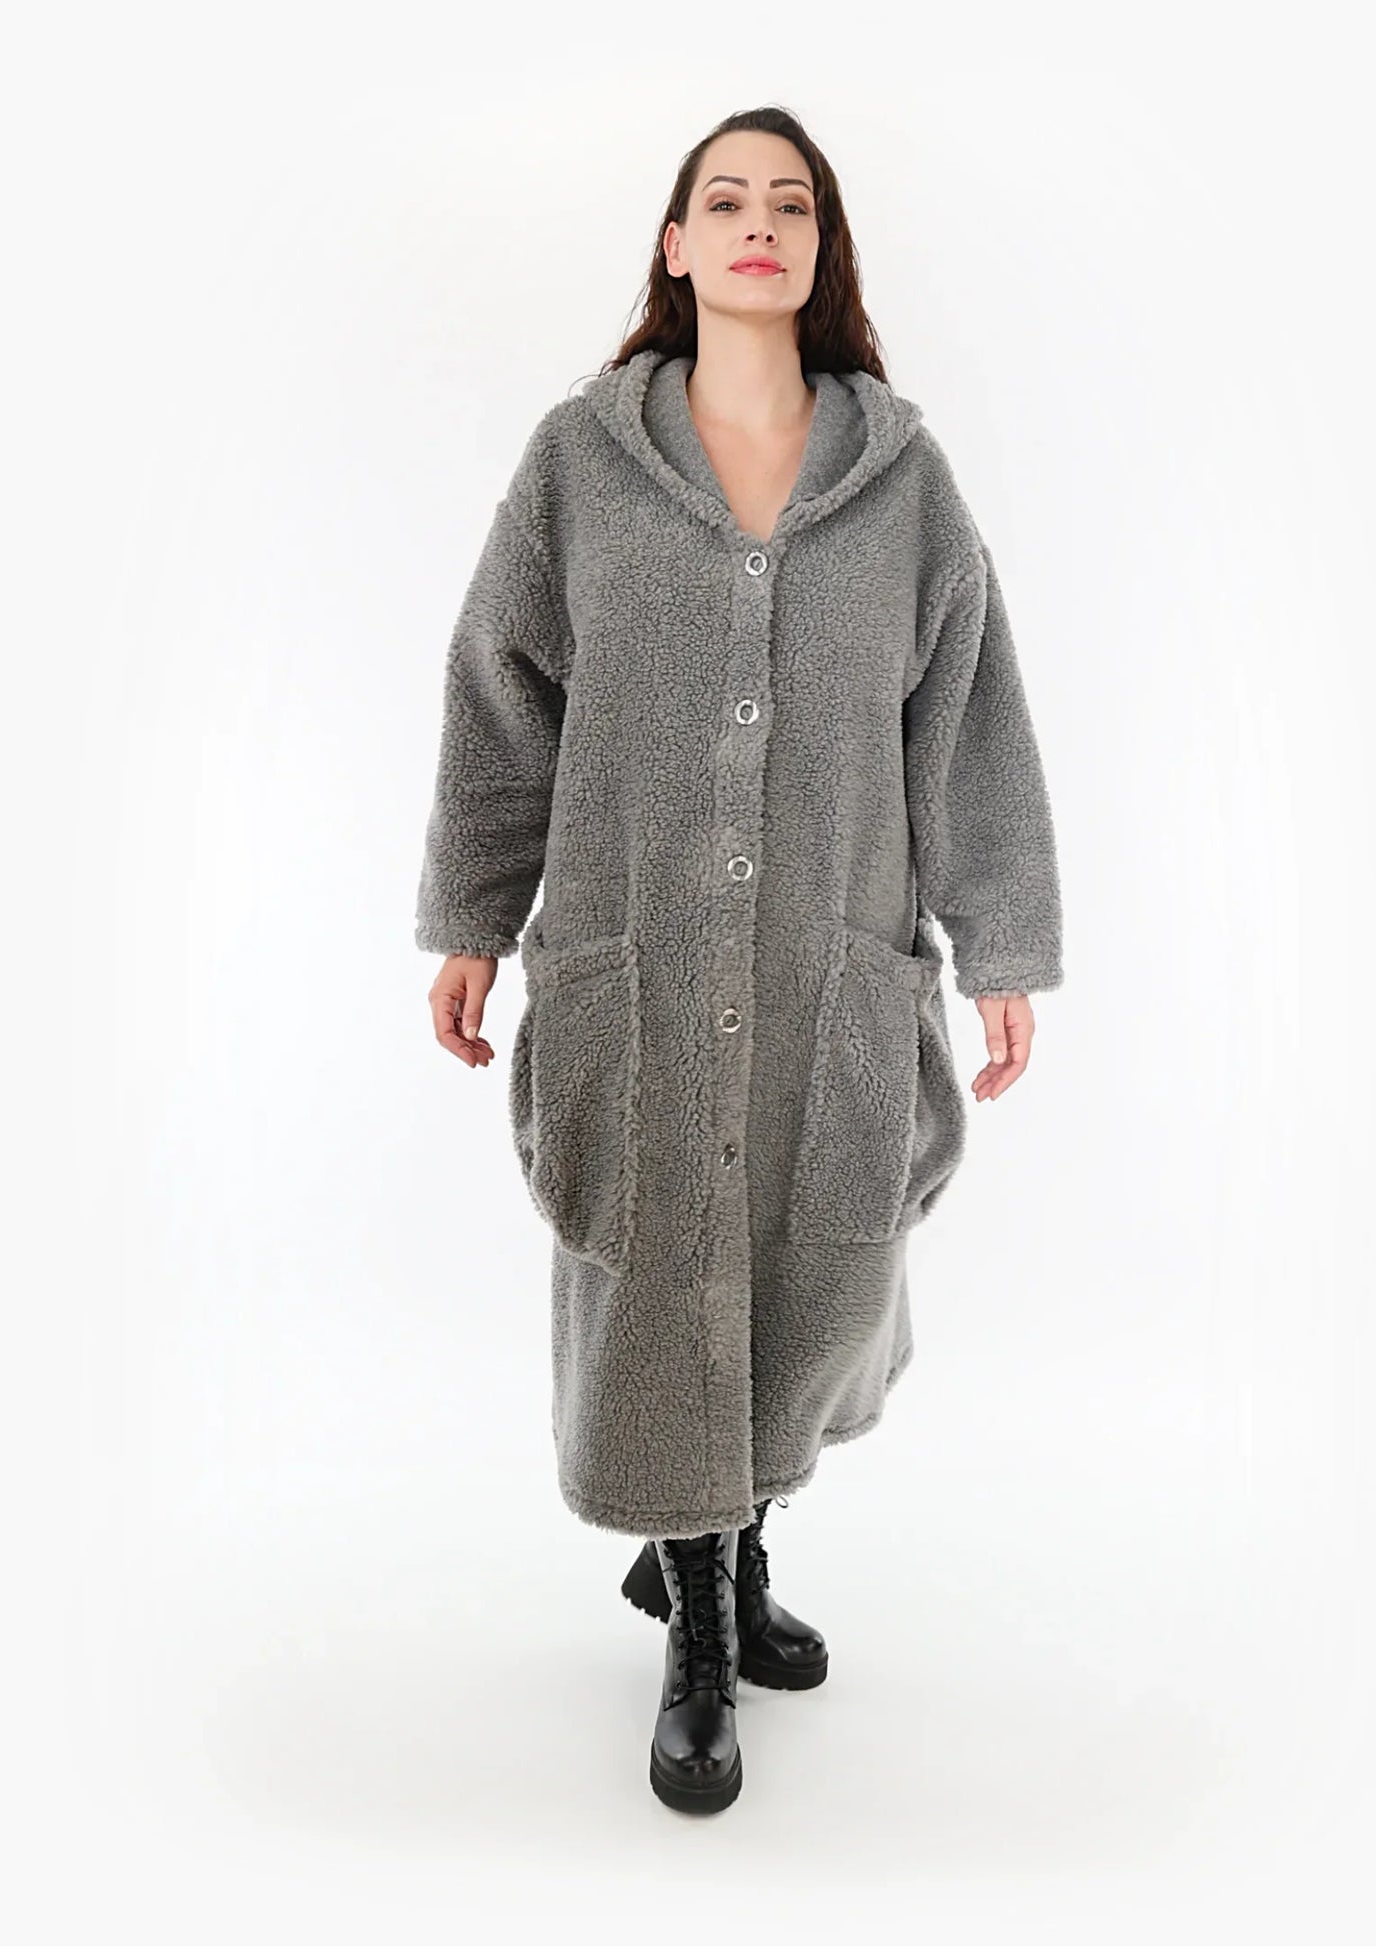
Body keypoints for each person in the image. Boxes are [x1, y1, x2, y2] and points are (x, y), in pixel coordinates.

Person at [414, 105, 1064, 1815]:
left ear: (819, 248)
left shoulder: (901, 484)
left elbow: (967, 721)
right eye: (724, 200)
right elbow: (500, 693)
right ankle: (700, 1625)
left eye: (789, 203)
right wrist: (471, 913)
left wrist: (1000, 941)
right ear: (677, 245)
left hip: (826, 973)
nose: (756, 222)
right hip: (638, 962)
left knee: (801, 1278)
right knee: (658, 1276)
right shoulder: (580, 464)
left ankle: (726, 1543)